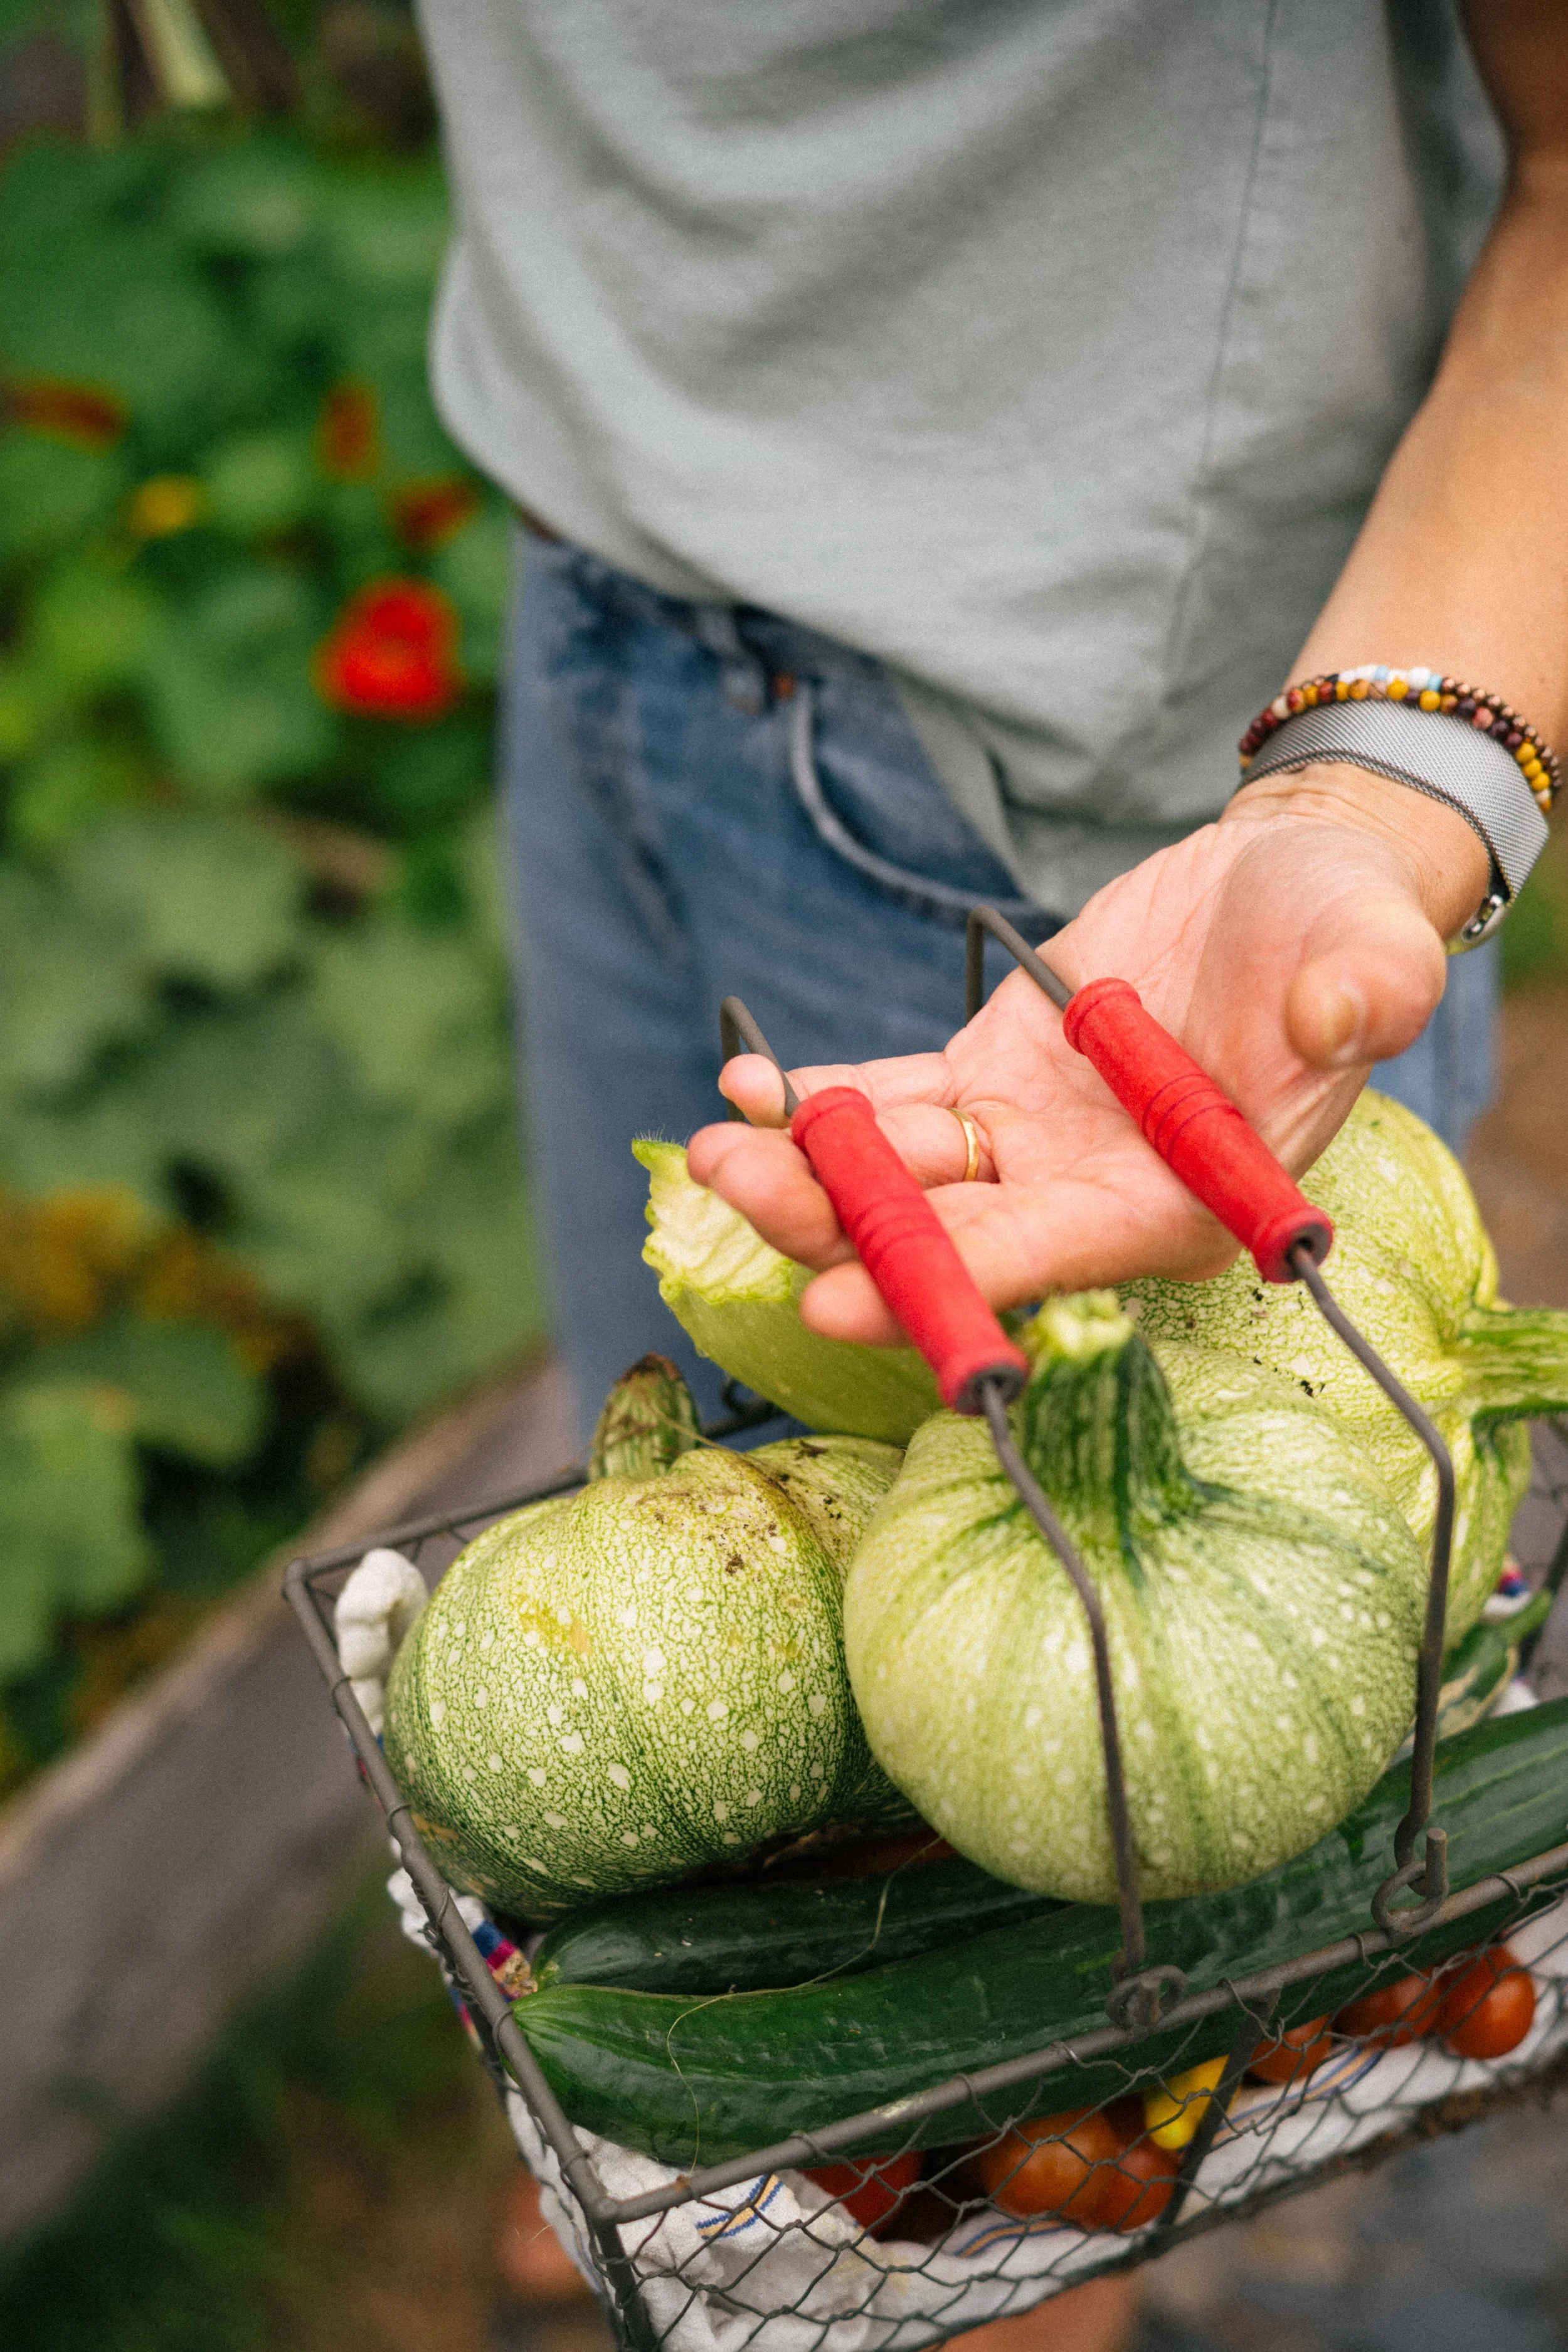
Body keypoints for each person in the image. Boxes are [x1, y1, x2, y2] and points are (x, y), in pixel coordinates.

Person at [411, 4, 1565, 2345]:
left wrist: (1370, 797)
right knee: (689, 1624)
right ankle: (693, 2151)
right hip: (600, 598)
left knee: (979, 2202)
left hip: (1061, 821)